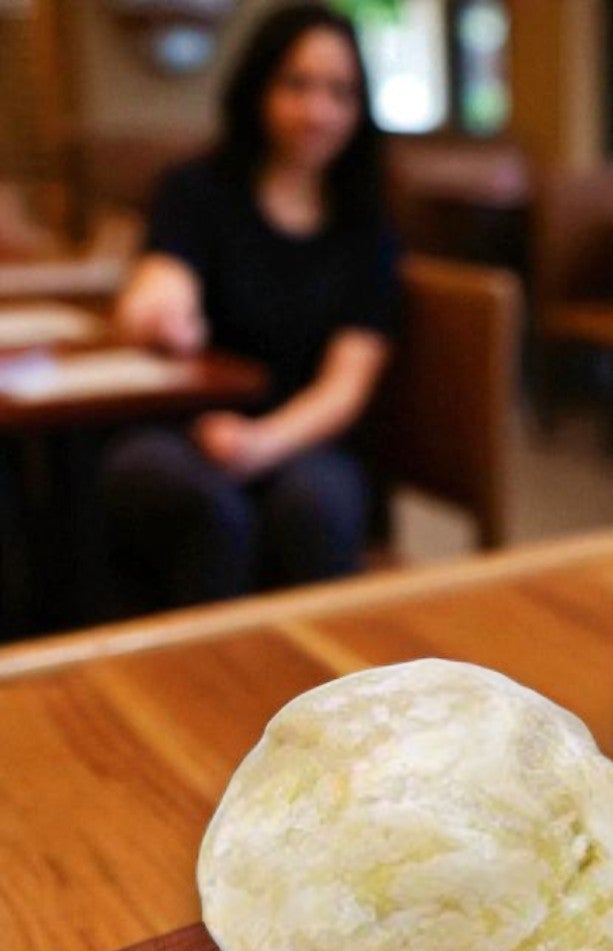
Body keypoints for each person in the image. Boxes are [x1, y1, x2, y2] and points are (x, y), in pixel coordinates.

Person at [102, 3, 398, 610]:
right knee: (198, 503)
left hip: (305, 433)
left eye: (340, 92)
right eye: (297, 84)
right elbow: (161, 282)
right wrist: (161, 315)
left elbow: (346, 387)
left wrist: (260, 443)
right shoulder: (196, 190)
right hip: (189, 425)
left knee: (317, 504)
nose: (318, 111)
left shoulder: (367, 228)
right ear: (259, 86)